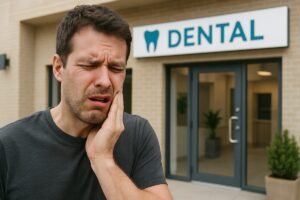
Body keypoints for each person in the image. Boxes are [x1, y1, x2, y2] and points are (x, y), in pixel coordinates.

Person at [0, 5, 172, 200]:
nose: (105, 81)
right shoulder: (8, 145)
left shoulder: (137, 133)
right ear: (58, 68)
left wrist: (103, 159)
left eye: (116, 68)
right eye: (90, 65)